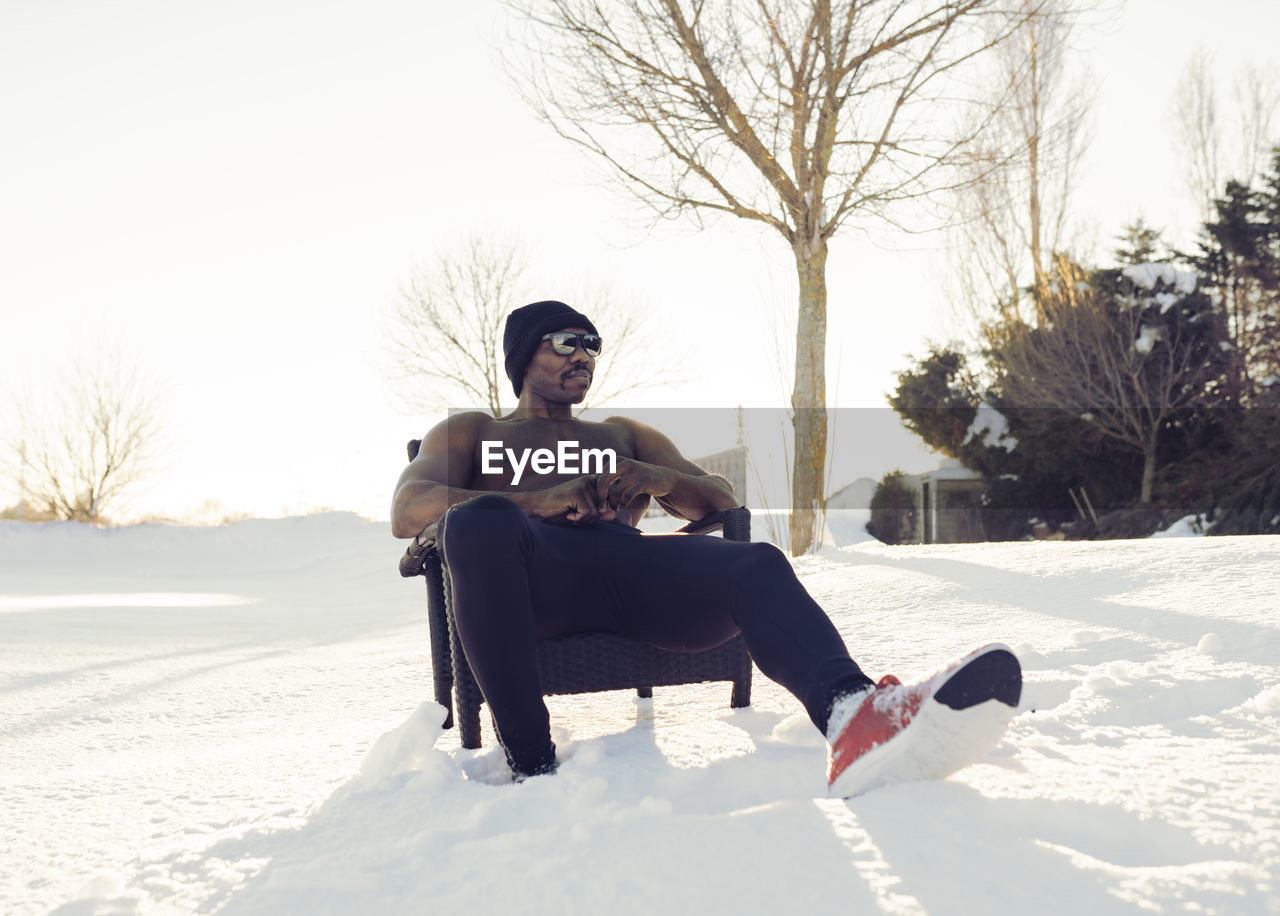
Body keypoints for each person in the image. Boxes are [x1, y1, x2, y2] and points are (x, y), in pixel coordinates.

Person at [391, 300, 1021, 794]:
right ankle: (531, 761)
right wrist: (535, 500)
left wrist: (660, 479)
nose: (584, 354)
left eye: (593, 345)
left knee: (756, 561)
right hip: (534, 577)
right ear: (525, 355)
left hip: (630, 573)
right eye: (567, 342)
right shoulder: (476, 430)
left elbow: (719, 498)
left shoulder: (622, 433)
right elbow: (407, 509)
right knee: (481, 521)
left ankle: (854, 716)